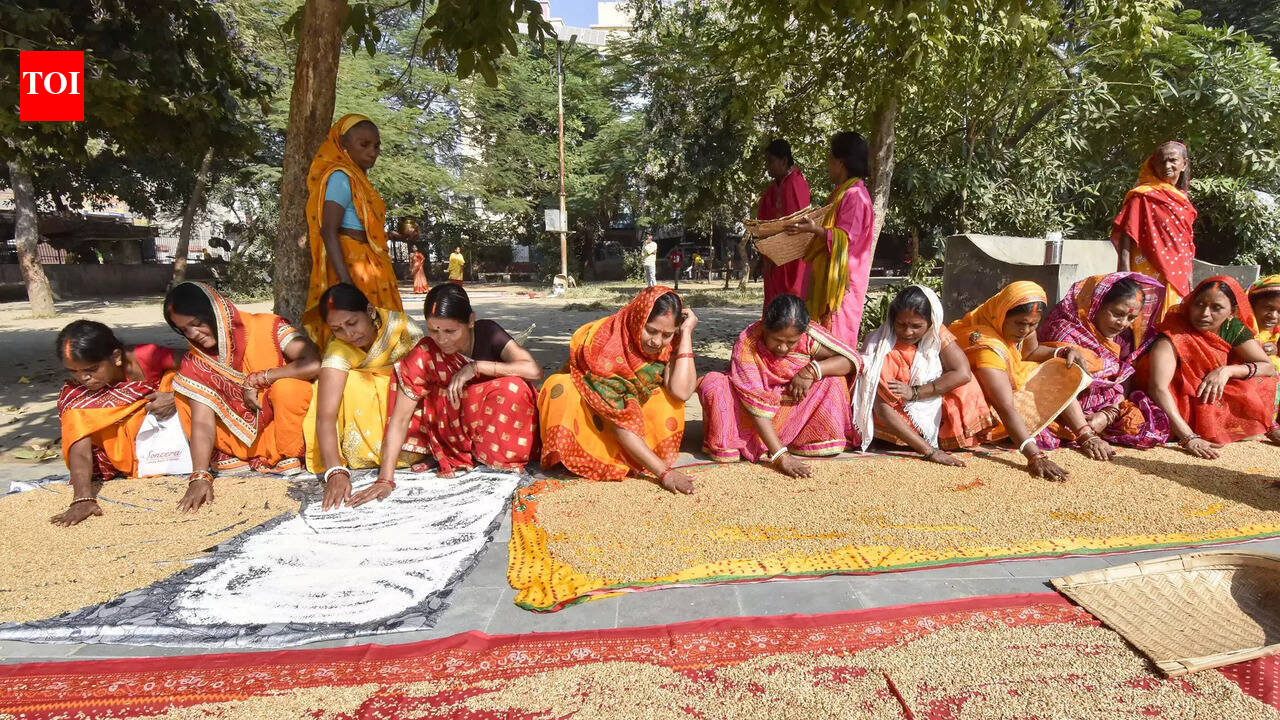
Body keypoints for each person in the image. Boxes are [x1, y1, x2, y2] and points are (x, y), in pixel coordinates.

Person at [347, 285, 542, 506]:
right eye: (434, 331)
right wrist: (385, 479)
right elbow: (400, 418)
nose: (442, 340)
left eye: (450, 331)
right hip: (453, 433)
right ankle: (458, 454)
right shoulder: (425, 353)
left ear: (470, 320)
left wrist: (477, 367)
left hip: (497, 428)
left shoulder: (488, 332)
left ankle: (497, 457)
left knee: (513, 388)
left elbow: (533, 370)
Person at [165, 282, 320, 512]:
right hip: (237, 443)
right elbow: (202, 421)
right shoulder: (196, 361)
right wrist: (200, 476)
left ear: (215, 312)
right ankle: (255, 455)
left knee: (289, 388)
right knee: (183, 389)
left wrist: (262, 378)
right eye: (184, 330)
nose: (193, 334)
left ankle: (287, 453)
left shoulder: (266, 326)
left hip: (279, 426)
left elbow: (314, 363)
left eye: (196, 324)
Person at [538, 287, 698, 493]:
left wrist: (685, 335)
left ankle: (639, 457)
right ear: (638, 319)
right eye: (650, 330)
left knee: (667, 400)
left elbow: (682, 392)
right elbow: (620, 419)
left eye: (666, 334)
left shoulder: (667, 344)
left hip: (630, 419)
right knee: (560, 386)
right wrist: (664, 472)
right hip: (593, 416)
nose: (657, 341)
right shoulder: (606, 346)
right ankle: (581, 456)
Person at [950, 281, 1113, 481]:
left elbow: (1030, 352)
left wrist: (1062, 351)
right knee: (1050, 382)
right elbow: (1005, 406)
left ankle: (1086, 435)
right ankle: (1075, 433)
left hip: (1005, 387)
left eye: (1033, 325)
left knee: (1061, 366)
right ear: (1001, 315)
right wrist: (1035, 456)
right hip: (986, 406)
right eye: (1020, 324)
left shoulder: (1016, 322)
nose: (1026, 330)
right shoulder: (987, 347)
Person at [699, 294, 861, 477]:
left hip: (792, 413)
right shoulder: (748, 342)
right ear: (764, 328)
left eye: (791, 343)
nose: (783, 348)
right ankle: (762, 444)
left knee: (833, 380)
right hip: (752, 417)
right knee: (714, 383)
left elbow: (851, 361)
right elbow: (755, 403)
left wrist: (811, 371)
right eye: (777, 340)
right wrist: (781, 456)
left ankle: (805, 441)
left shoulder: (808, 337)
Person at [303, 284, 425, 510]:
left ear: (369, 311)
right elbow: (326, 415)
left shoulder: (401, 328)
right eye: (337, 329)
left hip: (408, 411)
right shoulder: (338, 348)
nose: (348, 334)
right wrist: (335, 472)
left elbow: (431, 376)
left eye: (352, 323)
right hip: (365, 428)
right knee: (347, 384)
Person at [51, 321, 185, 527]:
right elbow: (79, 436)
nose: (83, 378)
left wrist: (176, 397)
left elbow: (205, 364)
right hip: (122, 447)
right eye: (73, 371)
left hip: (166, 423)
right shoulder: (78, 393)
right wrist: (82, 499)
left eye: (92, 369)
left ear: (116, 356)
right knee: (74, 409)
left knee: (178, 379)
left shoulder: (147, 356)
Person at [853, 285, 995, 465]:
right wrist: (930, 452)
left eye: (916, 326)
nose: (907, 332)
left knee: (967, 385)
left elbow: (962, 373)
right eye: (901, 325)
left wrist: (916, 392)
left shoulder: (937, 333)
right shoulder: (882, 348)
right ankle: (919, 440)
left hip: (922, 396)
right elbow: (883, 410)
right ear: (892, 320)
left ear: (930, 322)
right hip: (896, 417)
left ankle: (943, 436)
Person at [1142, 276, 1280, 458]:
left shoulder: (1231, 327)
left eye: (1216, 307)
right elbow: (1158, 388)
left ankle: (1264, 423)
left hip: (1208, 391)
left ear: (1232, 312)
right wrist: (1188, 437)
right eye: (1199, 304)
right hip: (1178, 398)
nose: (1205, 313)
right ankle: (1191, 427)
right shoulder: (1174, 331)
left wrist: (1226, 371)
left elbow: (1268, 367)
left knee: (1261, 380)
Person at [301, 114, 403, 346]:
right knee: (360, 329)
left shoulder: (359, 180)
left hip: (370, 261)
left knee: (381, 329)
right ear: (343, 145)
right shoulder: (341, 177)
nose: (372, 152)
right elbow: (329, 230)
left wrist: (395, 236)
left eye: (376, 146)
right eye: (364, 144)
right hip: (352, 265)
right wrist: (347, 284)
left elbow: (363, 228)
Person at [1038, 273, 1171, 448]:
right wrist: (1085, 433)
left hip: (1103, 409)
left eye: (1131, 318)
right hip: (1062, 405)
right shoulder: (1065, 330)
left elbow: (1123, 378)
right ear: (1096, 304)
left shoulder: (1124, 337)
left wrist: (1108, 414)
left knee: (1140, 424)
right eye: (1117, 314)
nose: (1122, 323)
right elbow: (1059, 383)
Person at [788, 131, 875, 346]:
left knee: (836, 340)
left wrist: (815, 229)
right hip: (825, 278)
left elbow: (845, 239)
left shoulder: (854, 195)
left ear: (840, 162)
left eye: (830, 158)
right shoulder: (841, 193)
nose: (828, 165)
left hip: (841, 285)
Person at [1112, 141, 1195, 319]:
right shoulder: (1142, 194)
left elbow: (1186, 242)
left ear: (1184, 164)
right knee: (1143, 318)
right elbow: (1127, 234)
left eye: (1173, 160)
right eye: (1161, 161)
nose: (1167, 166)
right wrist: (1125, 274)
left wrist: (1189, 274)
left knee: (1172, 318)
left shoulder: (1183, 200)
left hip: (1178, 270)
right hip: (1147, 266)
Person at [757, 139, 812, 305]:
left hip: (792, 261)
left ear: (784, 160)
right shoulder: (774, 187)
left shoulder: (796, 183)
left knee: (791, 305)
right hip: (774, 259)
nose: (767, 166)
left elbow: (800, 226)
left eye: (771, 161)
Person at [1248, 275, 1280, 374]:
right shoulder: (1238, 329)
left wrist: (1275, 349)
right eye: (1268, 308)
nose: (1273, 316)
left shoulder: (1276, 332)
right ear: (1252, 305)